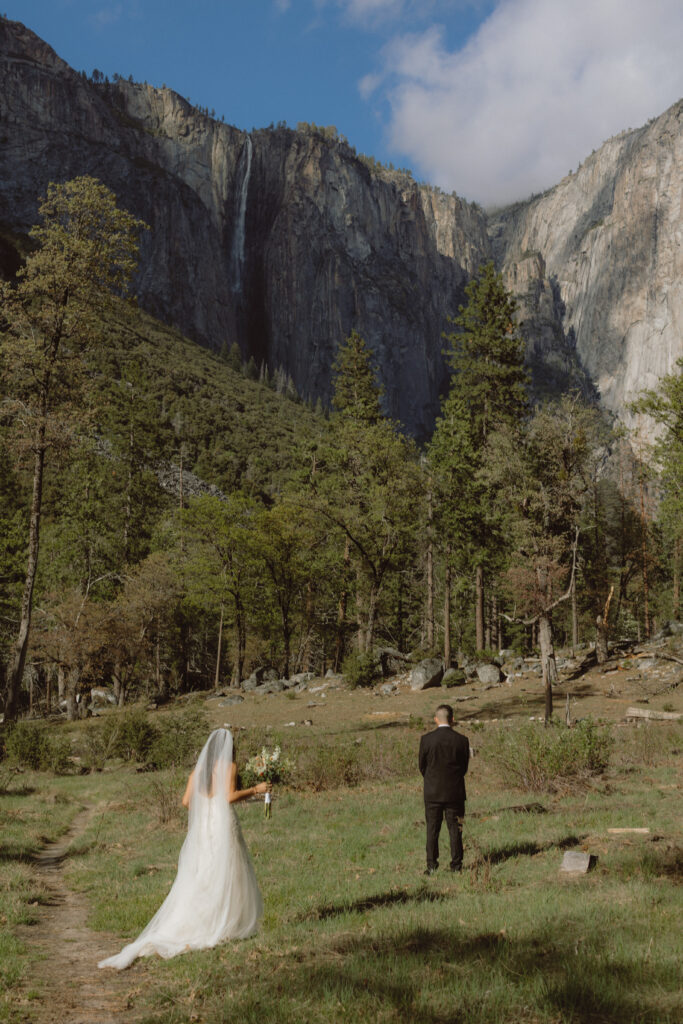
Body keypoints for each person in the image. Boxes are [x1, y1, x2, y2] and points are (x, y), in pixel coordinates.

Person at [99, 728, 270, 969]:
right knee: (227, 870)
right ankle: (227, 922)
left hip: (202, 827)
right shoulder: (229, 767)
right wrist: (255, 790)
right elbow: (229, 797)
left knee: (204, 872)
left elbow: (186, 801)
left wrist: (204, 808)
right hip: (222, 824)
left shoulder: (198, 772)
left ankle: (201, 919)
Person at [418, 704, 469, 875]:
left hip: (432, 792)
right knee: (455, 830)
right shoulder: (462, 740)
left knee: (432, 829)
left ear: (435, 720)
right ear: (452, 719)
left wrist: (432, 780)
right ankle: (456, 865)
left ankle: (431, 865)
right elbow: (464, 767)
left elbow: (422, 766)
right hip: (455, 792)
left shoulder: (426, 740)